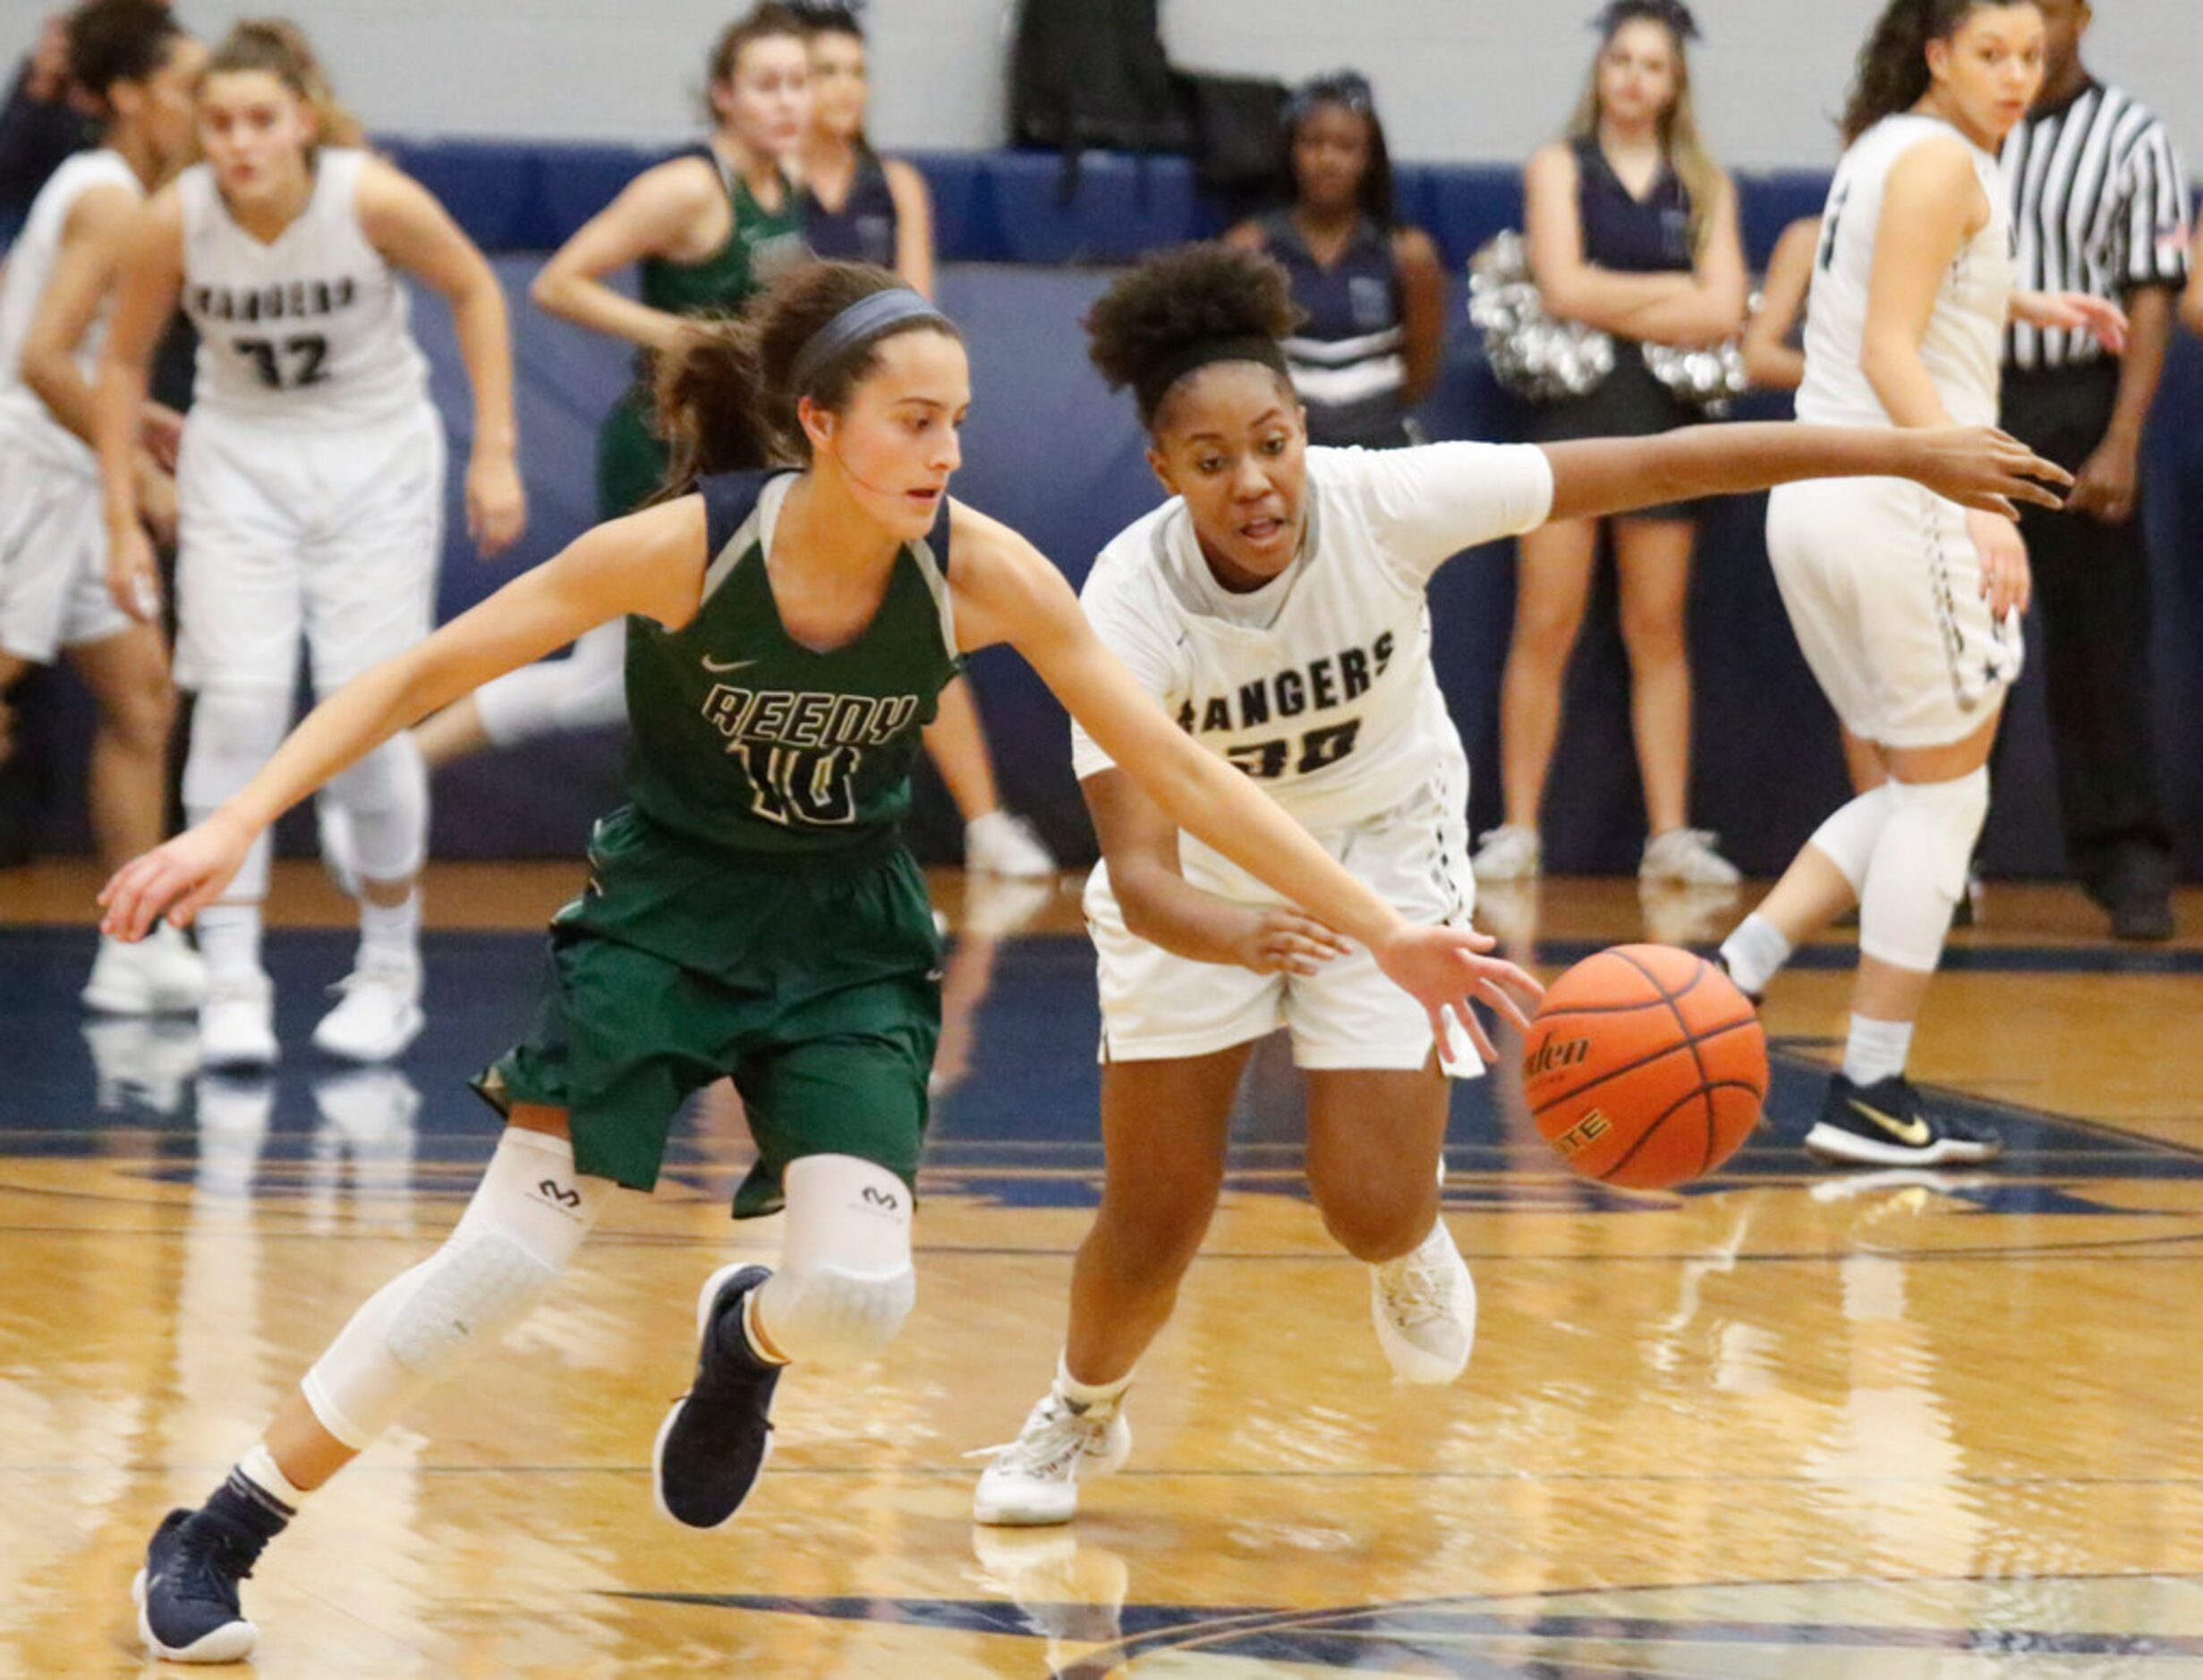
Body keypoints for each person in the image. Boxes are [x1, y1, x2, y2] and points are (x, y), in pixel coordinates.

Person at [100, 259, 1542, 1663]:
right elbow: (428, 670)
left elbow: (1184, 770)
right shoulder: (685, 547)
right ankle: (221, 1525)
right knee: (506, 1256)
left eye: (960, 420)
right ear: (819, 423)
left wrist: (1383, 929)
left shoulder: (982, 571)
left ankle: (747, 1341)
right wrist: (232, 820)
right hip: (668, 918)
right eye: (915, 420)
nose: (946, 449)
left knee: (860, 1298)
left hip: (845, 943)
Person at [968, 242, 2071, 1527]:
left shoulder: (1390, 501)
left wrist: (1904, 452)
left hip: (1382, 843)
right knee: (1154, 1221)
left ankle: (1410, 1243)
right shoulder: (1124, 596)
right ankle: (1080, 1410)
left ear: (1305, 430)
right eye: (1211, 462)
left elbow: (1661, 464)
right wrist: (1250, 932)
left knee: (1368, 1210)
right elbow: (1143, 878)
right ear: (1163, 472)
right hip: (1208, 889)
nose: (1254, 482)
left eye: (1271, 443)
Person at [1715, 0, 2123, 1168]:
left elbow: (1883, 299)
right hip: (1896, 501)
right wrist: (1981, 502)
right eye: (1990, 52)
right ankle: (1869, 1089)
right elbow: (1892, 349)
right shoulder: (1942, 159)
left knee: (1913, 788)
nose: (2014, 75)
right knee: (1944, 802)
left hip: (1816, 499)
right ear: (1936, 52)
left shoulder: (1880, 147)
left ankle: (1738, 971)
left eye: (2030, 59)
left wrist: (2023, 300)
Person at [93, 20, 526, 1069]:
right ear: (200, 130)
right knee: (237, 702)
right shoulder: (175, 219)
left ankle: (388, 966)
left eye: (260, 120)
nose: (240, 141)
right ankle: (231, 980)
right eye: (221, 122)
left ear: (301, 123)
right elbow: (119, 365)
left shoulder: (366, 197)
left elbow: (472, 286)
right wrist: (119, 516)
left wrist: (497, 449)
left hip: (374, 455)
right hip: (241, 456)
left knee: (362, 713)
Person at [1476, 0, 1748, 889]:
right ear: (1600, 70)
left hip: (1663, 416)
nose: (1633, 79)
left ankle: (1668, 836)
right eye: (1620, 60)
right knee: (1543, 623)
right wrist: (1667, 289)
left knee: (1655, 627)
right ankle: (1516, 829)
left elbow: (1723, 310)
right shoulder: (1557, 166)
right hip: (1570, 414)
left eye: (1652, 66)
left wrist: (1610, 291)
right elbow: (1557, 287)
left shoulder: (1705, 185)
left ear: (1675, 84)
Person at [793, 0, 1053, 876]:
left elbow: (912, 319)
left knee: (917, 614)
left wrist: (902, 415)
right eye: (825, 71)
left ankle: (984, 824)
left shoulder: (893, 185)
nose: (843, 90)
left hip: (870, 436)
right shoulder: (757, 185)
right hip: (786, 426)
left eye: (855, 72)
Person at [0, 0, 200, 1012]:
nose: (202, 111)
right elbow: (39, 362)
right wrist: (142, 470)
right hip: (25, 474)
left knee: (141, 696)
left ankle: (134, 948)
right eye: (185, 90)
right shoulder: (111, 195)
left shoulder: (110, 190)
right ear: (129, 96)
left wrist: (139, 413)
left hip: (70, 473)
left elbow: (46, 333)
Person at [1996, 0, 2190, 941]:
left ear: (2079, 15)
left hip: (2078, 402)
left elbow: (2150, 297)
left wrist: (2120, 437)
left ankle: (2129, 867)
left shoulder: (2130, 136)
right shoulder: (1951, 134)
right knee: (1952, 645)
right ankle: (1937, 865)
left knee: (2098, 654)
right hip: (1968, 396)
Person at [1224, 71, 1442, 453]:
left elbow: (1420, 370)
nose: (1327, 160)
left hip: (1382, 450)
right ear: (1290, 151)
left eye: (1346, 146)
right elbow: (1233, 365)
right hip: (1284, 452)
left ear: (1371, 157)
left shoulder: (1407, 252)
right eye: (1312, 143)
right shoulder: (1249, 248)